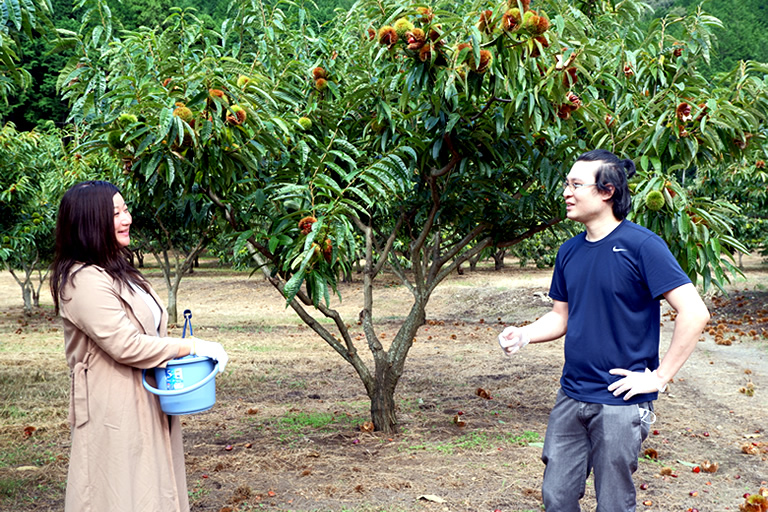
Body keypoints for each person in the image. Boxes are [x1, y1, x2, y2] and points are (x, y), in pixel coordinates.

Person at [498, 149, 710, 512]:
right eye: (567, 183)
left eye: (576, 184)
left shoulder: (642, 246)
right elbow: (561, 317)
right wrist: (525, 334)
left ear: (607, 191)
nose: (566, 192)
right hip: (571, 395)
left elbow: (694, 312)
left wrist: (659, 378)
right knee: (556, 497)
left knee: (613, 504)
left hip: (619, 403)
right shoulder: (569, 251)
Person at [50, 180, 229, 512]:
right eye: (115, 214)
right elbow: (126, 344)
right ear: (90, 223)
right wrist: (191, 347)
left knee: (152, 488)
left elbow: (148, 330)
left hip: (146, 395)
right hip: (114, 407)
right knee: (118, 493)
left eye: (126, 209)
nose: (127, 218)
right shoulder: (82, 281)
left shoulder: (118, 270)